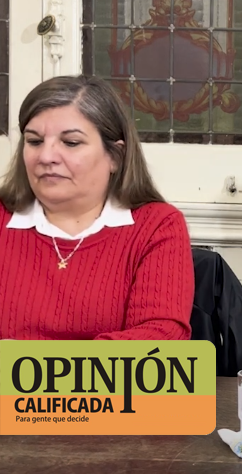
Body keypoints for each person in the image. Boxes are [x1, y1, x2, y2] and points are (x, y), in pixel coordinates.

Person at [0, 75, 194, 340]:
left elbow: (161, 334)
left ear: (115, 156)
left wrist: (32, 362)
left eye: (70, 143)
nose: (45, 157)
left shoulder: (158, 225)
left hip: (115, 383)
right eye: (34, 141)